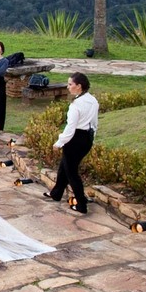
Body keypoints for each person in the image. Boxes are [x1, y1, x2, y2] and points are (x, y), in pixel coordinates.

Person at [43, 73, 99, 214]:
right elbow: (94, 123)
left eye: (70, 84)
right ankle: (56, 193)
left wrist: (59, 143)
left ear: (79, 86)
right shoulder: (93, 100)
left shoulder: (76, 105)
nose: (68, 87)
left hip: (75, 139)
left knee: (71, 172)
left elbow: (70, 128)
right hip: (87, 138)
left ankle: (81, 204)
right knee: (65, 165)